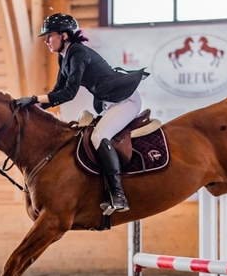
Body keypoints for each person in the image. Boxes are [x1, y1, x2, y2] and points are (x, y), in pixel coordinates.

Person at [14, 13, 148, 214]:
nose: (46, 41)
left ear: (64, 35)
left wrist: (33, 99)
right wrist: (33, 110)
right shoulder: (65, 57)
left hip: (125, 99)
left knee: (99, 136)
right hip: (108, 103)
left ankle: (118, 195)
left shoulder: (77, 52)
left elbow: (69, 93)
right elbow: (56, 94)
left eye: (50, 36)